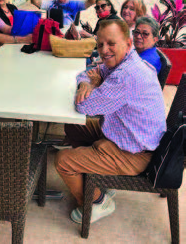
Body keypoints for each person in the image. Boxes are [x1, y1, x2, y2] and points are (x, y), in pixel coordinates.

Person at [55, 20, 166, 225]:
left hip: (135, 152)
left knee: (63, 161)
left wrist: (91, 87)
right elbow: (87, 71)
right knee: (74, 125)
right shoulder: (124, 61)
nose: (104, 50)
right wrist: (85, 84)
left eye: (111, 44)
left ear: (128, 43)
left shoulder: (126, 74)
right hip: (123, 134)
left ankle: (97, 202)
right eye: (100, 44)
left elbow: (85, 107)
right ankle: (95, 176)